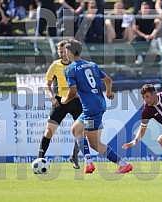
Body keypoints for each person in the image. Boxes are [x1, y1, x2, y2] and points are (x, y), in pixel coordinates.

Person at [61, 39, 133, 174]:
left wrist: (65, 100)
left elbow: (72, 91)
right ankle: (88, 163)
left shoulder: (70, 69)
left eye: (65, 51)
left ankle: (123, 164)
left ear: (69, 52)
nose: (65, 54)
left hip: (91, 109)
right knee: (76, 129)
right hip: (97, 105)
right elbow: (108, 80)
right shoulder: (92, 65)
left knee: (94, 143)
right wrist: (109, 92)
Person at [38, 40, 93, 171]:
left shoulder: (77, 65)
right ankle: (40, 158)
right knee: (49, 131)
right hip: (60, 101)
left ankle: (74, 157)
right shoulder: (55, 65)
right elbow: (47, 84)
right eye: (59, 50)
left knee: (81, 132)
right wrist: (52, 98)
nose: (61, 52)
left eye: (64, 50)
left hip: (76, 101)